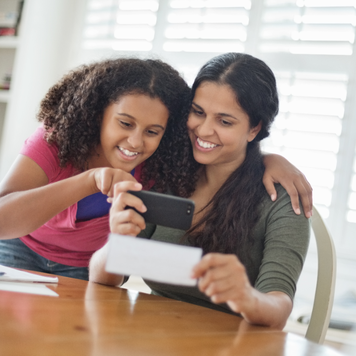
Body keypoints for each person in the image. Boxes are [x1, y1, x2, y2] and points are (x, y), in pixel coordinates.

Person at [89, 52, 310, 329]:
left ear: (254, 128)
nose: (204, 130)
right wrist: (117, 243)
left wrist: (247, 297)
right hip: (147, 334)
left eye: (225, 121)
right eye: (198, 112)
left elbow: (278, 308)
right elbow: (104, 278)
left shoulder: (282, 200)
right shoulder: (169, 174)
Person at [0, 57, 194, 279]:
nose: (135, 142)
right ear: (98, 114)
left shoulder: (160, 165)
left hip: (88, 264)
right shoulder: (58, 137)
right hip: (20, 247)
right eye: (125, 123)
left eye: (152, 132)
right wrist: (90, 180)